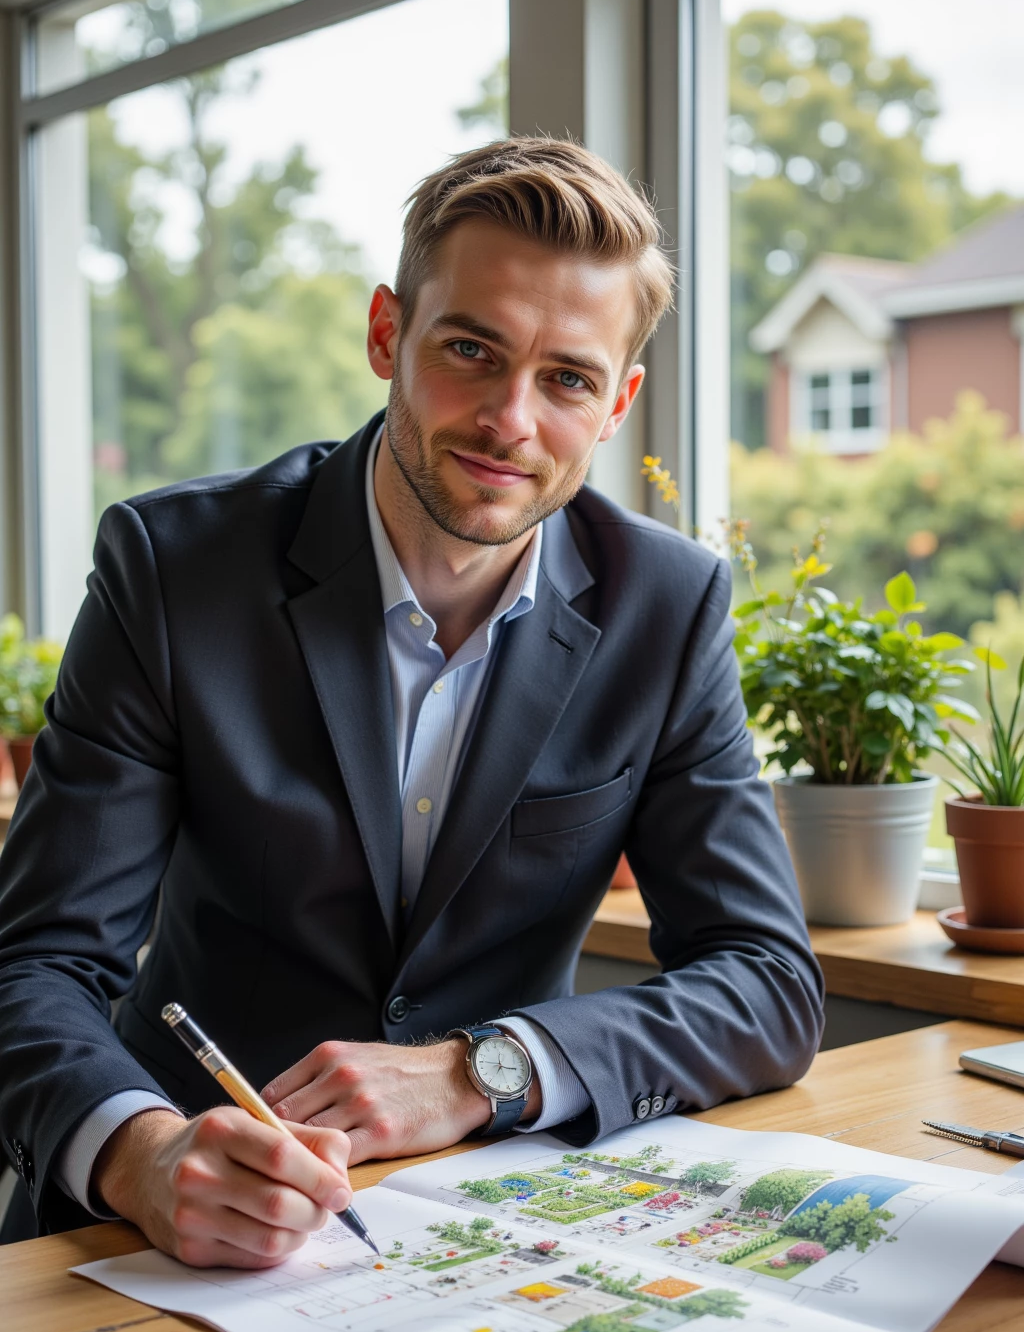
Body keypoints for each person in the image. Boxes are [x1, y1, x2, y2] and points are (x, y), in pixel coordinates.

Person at [0, 137, 823, 1261]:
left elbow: (766, 982)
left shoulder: (666, 607)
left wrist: (479, 1070)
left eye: (567, 379)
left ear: (618, 401)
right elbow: (38, 961)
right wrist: (141, 1153)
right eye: (471, 350)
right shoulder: (173, 568)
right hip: (157, 1228)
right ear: (388, 333)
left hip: (488, 1238)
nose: (509, 421)